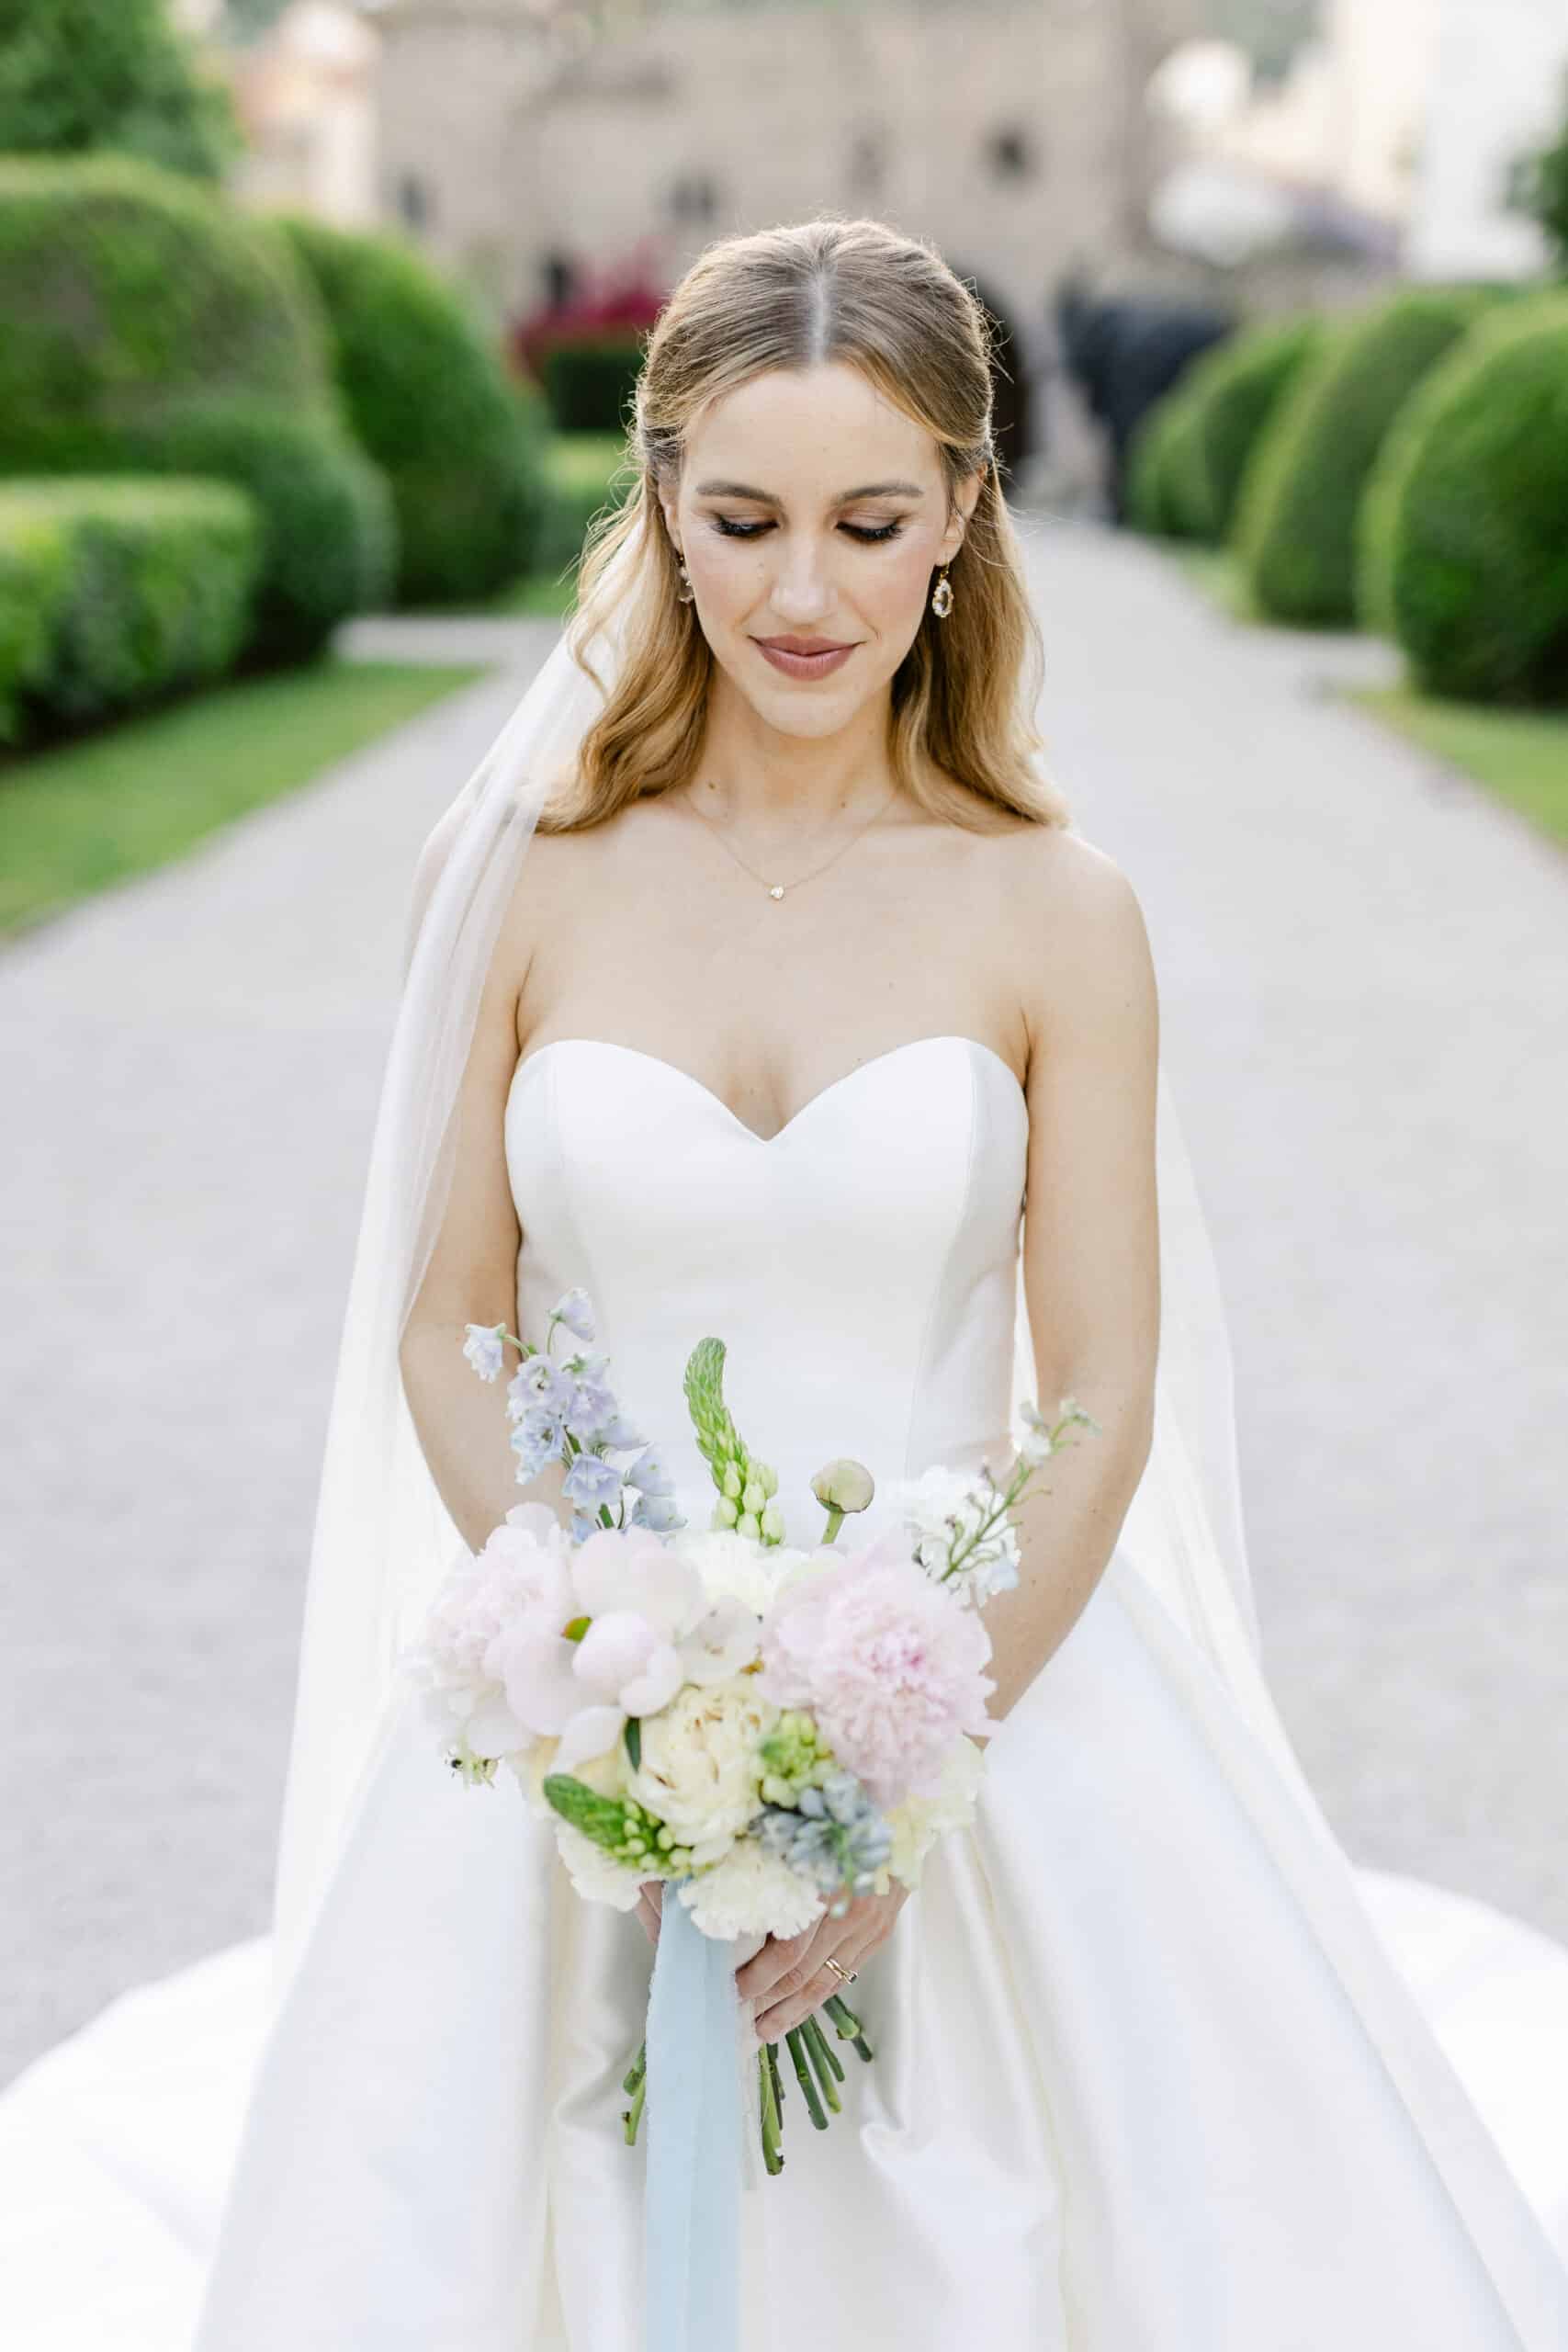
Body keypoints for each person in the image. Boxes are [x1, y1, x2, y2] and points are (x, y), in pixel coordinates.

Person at [5, 216, 1567, 2348]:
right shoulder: (518, 884)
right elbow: (450, 1316)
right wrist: (607, 1686)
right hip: (577, 1680)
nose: (802, 592)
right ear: (656, 502)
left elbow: (1095, 1382)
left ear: (960, 523)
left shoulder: (1054, 910)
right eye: (739, 519)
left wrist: (890, 1772)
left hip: (970, 1687)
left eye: (867, 520)